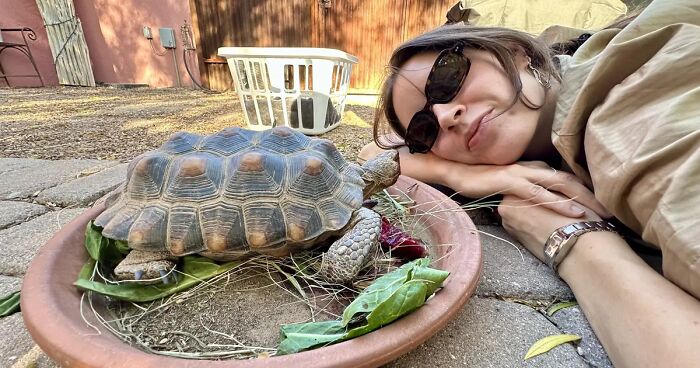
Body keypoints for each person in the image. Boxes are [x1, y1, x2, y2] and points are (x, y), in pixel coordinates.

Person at [359, 0, 700, 366]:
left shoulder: (626, 126)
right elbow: (372, 153)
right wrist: (461, 173)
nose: (444, 116)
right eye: (424, 130)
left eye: (447, 77)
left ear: (516, 51)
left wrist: (574, 241)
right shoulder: (565, 83)